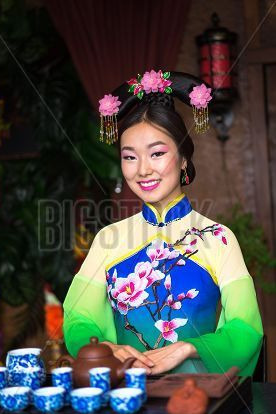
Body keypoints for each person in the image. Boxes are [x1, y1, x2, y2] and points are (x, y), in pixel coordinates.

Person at [63, 70, 263, 376]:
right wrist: (106, 347)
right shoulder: (108, 239)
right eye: (129, 157)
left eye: (157, 153)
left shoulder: (219, 238)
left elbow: (246, 328)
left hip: (199, 401)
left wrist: (190, 347)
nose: (143, 170)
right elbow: (78, 317)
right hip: (126, 397)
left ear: (183, 159)